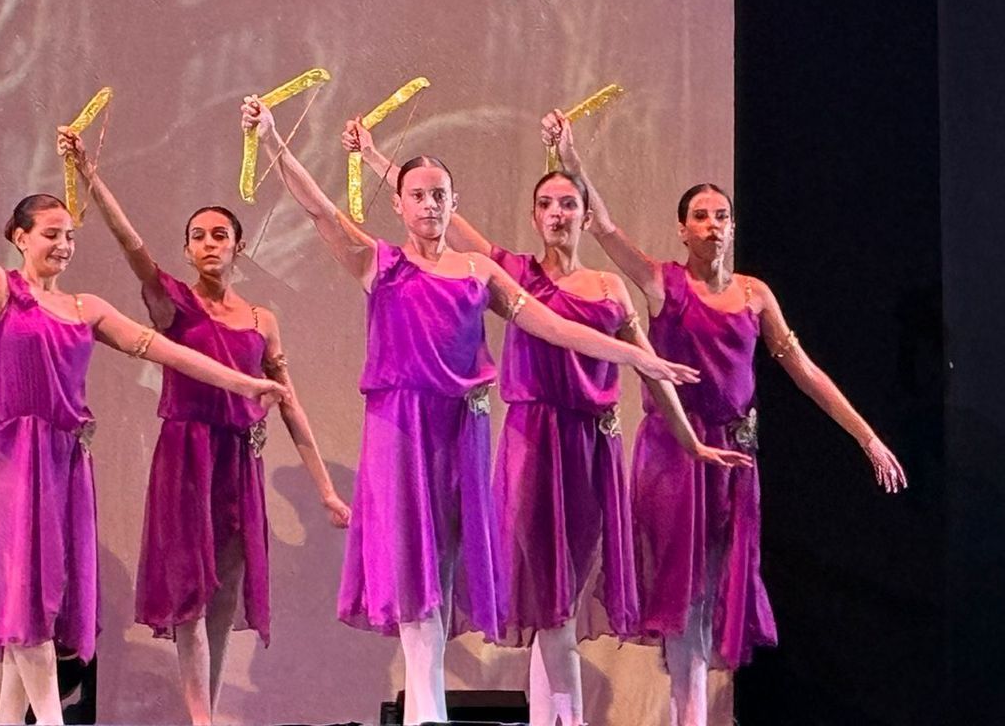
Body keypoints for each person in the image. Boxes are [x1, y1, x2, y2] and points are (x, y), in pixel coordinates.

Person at [246, 97, 697, 726]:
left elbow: (553, 327)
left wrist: (636, 358)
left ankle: (431, 711)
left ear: (453, 204)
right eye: (419, 194)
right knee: (415, 583)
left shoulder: (479, 271)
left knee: (448, 578)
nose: (430, 205)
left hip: (462, 434)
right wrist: (274, 142)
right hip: (401, 432)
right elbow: (319, 210)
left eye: (440, 195)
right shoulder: (383, 264)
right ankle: (427, 715)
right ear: (398, 203)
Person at [0, 123, 290, 726]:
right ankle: (50, 721)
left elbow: (164, 351)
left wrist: (245, 382)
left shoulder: (86, 308)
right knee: (23, 599)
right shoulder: (3, 293)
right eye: (51, 235)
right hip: (13, 460)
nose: (63, 245)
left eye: (69, 236)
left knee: (43, 605)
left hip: (66, 464)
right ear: (20, 239)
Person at [347, 120, 748, 726]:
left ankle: (557, 718)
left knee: (561, 599)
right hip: (532, 444)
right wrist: (378, 159)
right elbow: (437, 213)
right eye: (546, 205)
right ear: (534, 217)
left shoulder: (610, 286)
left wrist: (692, 442)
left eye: (570, 203)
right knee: (546, 600)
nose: (558, 213)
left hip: (590, 452)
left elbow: (650, 369)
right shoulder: (513, 273)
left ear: (586, 215)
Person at [545, 111, 905, 726]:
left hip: (737, 463)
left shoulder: (754, 294)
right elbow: (603, 227)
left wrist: (867, 436)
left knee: (717, 590)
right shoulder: (663, 285)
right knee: (683, 592)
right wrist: (572, 162)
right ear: (682, 230)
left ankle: (691, 712)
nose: (712, 226)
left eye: (721, 216)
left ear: (733, 227)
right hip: (675, 458)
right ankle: (690, 716)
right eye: (700, 217)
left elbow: (804, 370)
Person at [59, 125, 349, 726]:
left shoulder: (263, 319)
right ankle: (201, 721)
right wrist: (90, 175)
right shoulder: (173, 305)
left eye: (221, 235)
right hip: (186, 458)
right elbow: (134, 247)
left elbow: (289, 403)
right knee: (189, 595)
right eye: (199, 237)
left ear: (238, 247)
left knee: (223, 598)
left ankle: (206, 713)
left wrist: (324, 488)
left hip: (240, 462)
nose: (210, 243)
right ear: (187, 250)